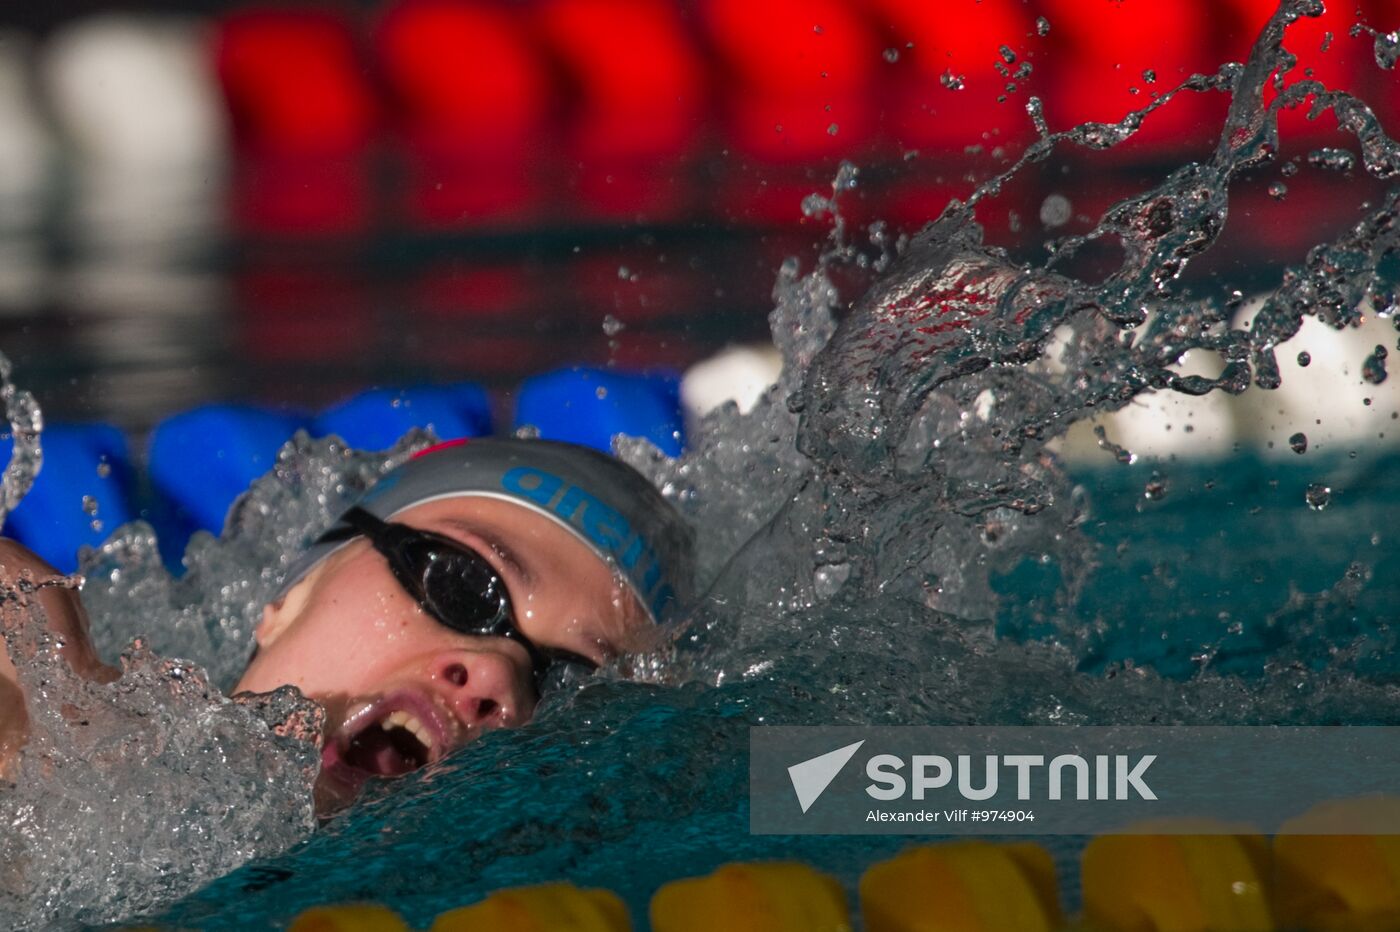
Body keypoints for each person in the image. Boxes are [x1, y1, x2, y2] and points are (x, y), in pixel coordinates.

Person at [0, 437, 695, 812]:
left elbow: (800, 787)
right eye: (461, 582)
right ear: (293, 592)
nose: (498, 676)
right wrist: (56, 699)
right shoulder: (34, 713)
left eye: (569, 684)